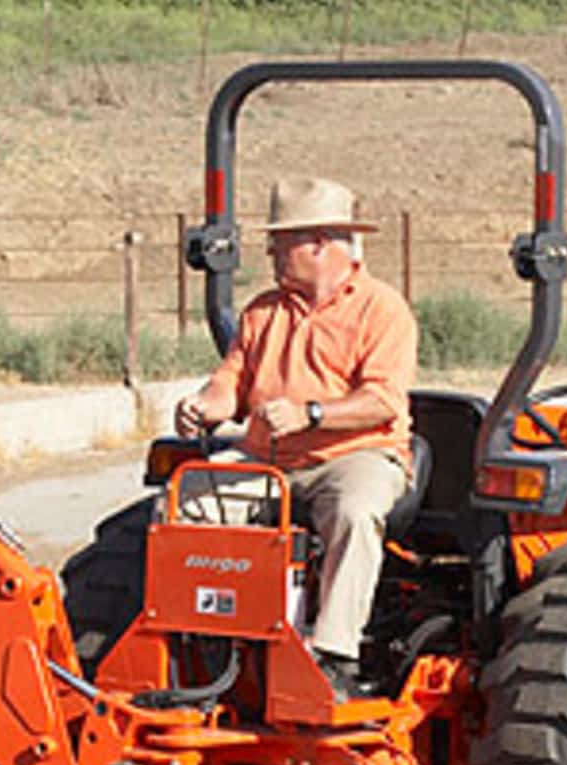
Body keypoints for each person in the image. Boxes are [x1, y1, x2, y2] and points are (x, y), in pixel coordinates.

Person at [174, 176, 418, 698]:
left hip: (354, 454)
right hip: (269, 459)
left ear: (320, 243)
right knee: (184, 503)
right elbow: (231, 383)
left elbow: (383, 401)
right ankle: (202, 640)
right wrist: (204, 406)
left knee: (355, 511)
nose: (270, 253)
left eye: (279, 242)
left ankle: (334, 655)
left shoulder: (382, 309)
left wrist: (312, 414)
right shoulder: (263, 311)